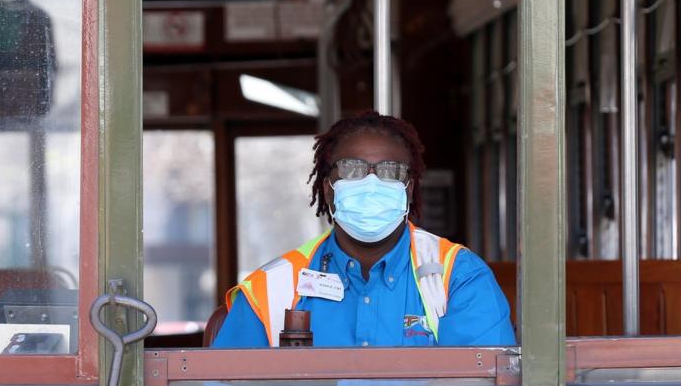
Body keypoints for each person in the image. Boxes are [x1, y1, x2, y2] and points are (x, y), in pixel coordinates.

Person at [213, 111, 515, 347]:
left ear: (409, 189)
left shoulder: (458, 278)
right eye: (351, 169)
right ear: (328, 189)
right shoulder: (272, 288)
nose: (371, 184)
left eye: (390, 172)